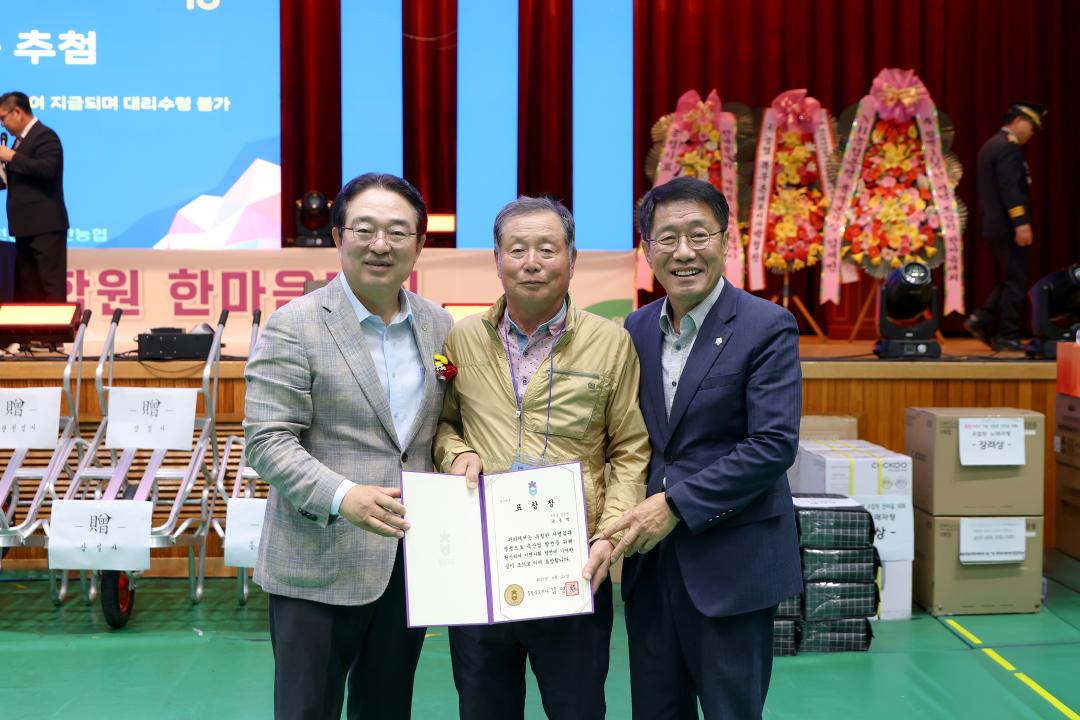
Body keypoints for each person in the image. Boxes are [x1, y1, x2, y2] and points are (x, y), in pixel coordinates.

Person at [244, 172, 453, 720]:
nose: (380, 245)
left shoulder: (440, 327)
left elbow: (443, 427)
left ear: (419, 244)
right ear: (338, 237)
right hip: (317, 558)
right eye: (364, 229)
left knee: (387, 707)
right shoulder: (294, 326)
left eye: (397, 232)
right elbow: (267, 439)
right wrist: (343, 495)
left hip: (407, 562)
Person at [434, 195, 650, 720]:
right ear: (497, 260)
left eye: (547, 249)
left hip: (571, 567)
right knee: (484, 708)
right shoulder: (462, 339)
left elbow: (628, 448)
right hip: (482, 569)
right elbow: (444, 424)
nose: (532, 262)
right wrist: (456, 452)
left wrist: (609, 535)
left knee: (576, 708)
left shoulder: (610, 343)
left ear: (572, 260)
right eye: (518, 249)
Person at [604, 176, 803, 719]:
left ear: (725, 240)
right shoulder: (635, 328)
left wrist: (675, 504)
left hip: (731, 565)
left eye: (698, 235)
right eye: (667, 238)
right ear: (647, 250)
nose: (684, 252)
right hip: (651, 567)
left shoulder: (766, 326)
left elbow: (773, 445)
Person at [964, 101, 1047, 352]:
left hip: (993, 224)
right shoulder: (1007, 148)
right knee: (1016, 280)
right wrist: (1021, 223)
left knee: (1012, 276)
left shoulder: (991, 145)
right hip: (1007, 225)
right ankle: (1007, 335)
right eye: (1031, 126)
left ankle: (982, 318)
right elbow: (1010, 189)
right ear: (1019, 121)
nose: (1032, 133)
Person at [0, 91, 69, 302]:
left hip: (45, 227)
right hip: (24, 228)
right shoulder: (19, 141)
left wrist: (12, 157)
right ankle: (32, 335)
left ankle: (55, 335)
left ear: (18, 112)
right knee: (29, 290)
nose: (3, 125)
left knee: (50, 286)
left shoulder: (45, 136)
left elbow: (48, 169)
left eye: (3, 118)